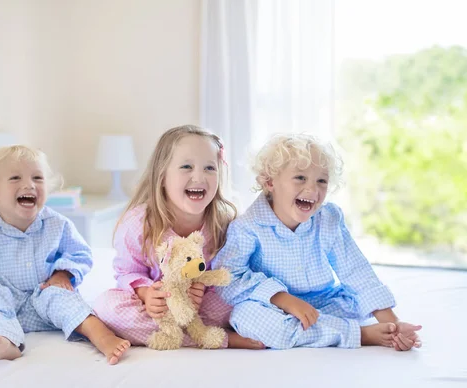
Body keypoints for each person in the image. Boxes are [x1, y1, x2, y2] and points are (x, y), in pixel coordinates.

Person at [213, 133, 422, 351]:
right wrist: (283, 298)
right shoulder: (247, 227)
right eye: (300, 178)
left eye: (321, 181)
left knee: (355, 301)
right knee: (246, 316)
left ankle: (325, 330)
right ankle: (359, 334)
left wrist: (394, 325)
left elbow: (355, 270)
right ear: (270, 182)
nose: (312, 190)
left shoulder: (328, 218)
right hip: (274, 306)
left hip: (327, 303)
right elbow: (228, 277)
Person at [0, 145, 130, 363]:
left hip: (45, 302)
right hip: (2, 308)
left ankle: (102, 335)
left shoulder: (57, 224)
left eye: (37, 178)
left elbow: (80, 253)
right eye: (15, 178)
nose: (29, 184)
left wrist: (62, 273)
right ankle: (6, 340)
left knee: (61, 295)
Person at [93, 125, 264, 349]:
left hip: (203, 308)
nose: (199, 176)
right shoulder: (138, 223)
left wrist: (204, 289)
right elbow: (127, 272)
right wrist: (146, 293)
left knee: (238, 301)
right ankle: (216, 338)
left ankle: (191, 334)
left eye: (210, 168)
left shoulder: (225, 222)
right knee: (107, 306)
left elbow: (231, 272)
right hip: (161, 310)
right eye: (186, 166)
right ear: (162, 176)